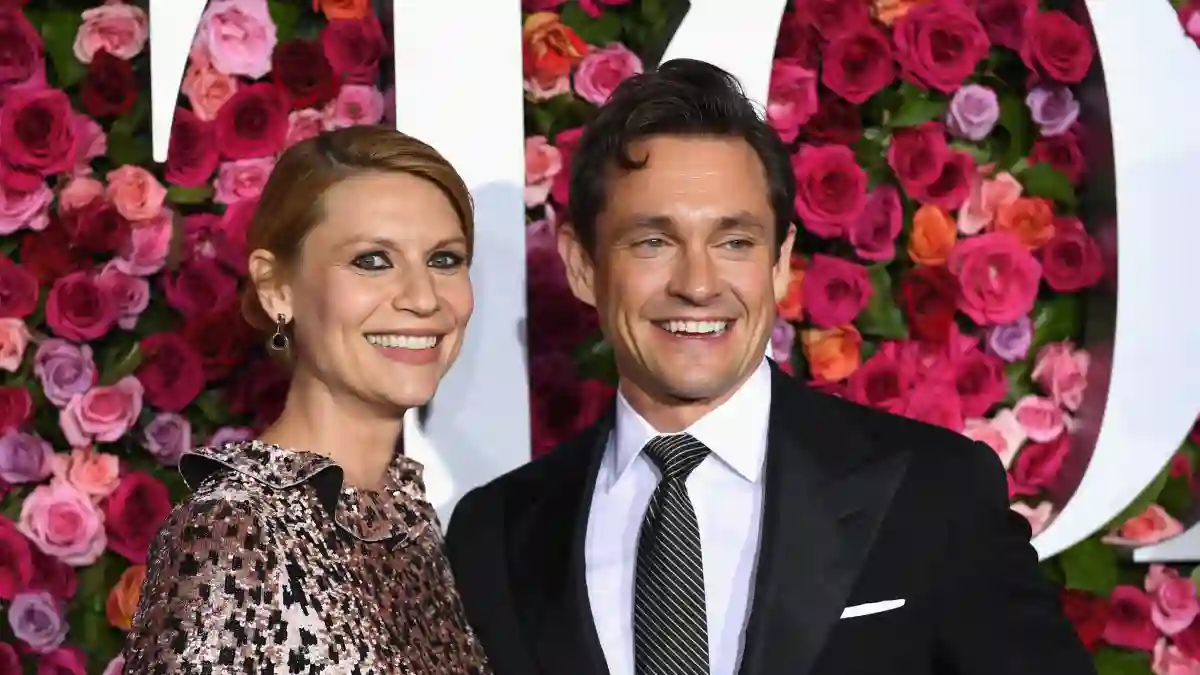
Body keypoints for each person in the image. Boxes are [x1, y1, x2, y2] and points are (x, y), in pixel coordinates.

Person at [444, 60, 1095, 675]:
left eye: (734, 241)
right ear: (583, 265)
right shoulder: (497, 535)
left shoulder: (931, 493)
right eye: (653, 241)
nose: (698, 284)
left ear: (780, 261)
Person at [125, 126, 491, 675]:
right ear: (276, 288)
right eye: (372, 260)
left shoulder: (410, 521)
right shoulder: (233, 530)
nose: (422, 298)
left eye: (444, 259)